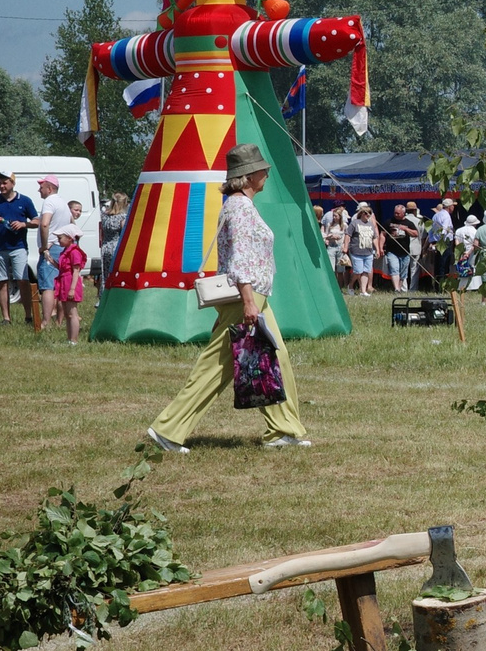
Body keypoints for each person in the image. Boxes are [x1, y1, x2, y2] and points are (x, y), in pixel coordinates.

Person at [145, 146, 310, 451]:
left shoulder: (240, 206)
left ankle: (283, 430)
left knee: (274, 356)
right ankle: (167, 430)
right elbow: (240, 260)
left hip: (253, 294)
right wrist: (247, 300)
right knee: (217, 366)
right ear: (247, 176)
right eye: (262, 169)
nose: (267, 173)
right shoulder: (240, 208)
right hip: (246, 294)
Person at [0, 171, 42, 328]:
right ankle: (6, 318)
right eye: (0, 183)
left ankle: (28, 316)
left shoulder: (25, 201)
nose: (2, 185)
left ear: (13, 183)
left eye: (5, 182)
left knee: (22, 280)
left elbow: (37, 221)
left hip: (18, 247)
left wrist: (23, 224)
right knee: (1, 282)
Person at [34, 173, 73, 329]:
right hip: (62, 247)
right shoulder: (62, 202)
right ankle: (60, 321)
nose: (39, 190)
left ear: (49, 188)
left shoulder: (49, 202)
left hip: (51, 247)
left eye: (41, 187)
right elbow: (72, 222)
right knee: (59, 285)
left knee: (47, 286)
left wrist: (44, 245)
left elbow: (45, 224)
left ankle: (46, 321)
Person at [54, 211, 89, 345]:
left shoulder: (74, 252)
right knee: (67, 313)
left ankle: (74, 339)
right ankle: (69, 339)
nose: (59, 240)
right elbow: (62, 267)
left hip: (70, 283)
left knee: (72, 313)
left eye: (60, 238)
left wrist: (72, 289)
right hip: (64, 281)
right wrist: (51, 261)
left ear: (69, 238)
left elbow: (76, 271)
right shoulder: (66, 251)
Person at [348, 203, 381, 296]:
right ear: (362, 213)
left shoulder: (371, 224)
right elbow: (348, 234)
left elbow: (374, 237)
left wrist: (377, 249)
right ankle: (350, 285)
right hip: (356, 250)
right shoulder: (355, 222)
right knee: (358, 271)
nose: (369, 216)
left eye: (370, 214)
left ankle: (363, 291)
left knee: (366, 271)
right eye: (367, 213)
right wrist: (346, 246)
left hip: (368, 251)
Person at [321, 205, 350, 286]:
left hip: (340, 247)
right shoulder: (330, 225)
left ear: (340, 216)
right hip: (331, 247)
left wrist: (345, 246)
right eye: (333, 215)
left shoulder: (344, 225)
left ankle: (340, 287)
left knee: (340, 269)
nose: (334, 217)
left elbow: (347, 236)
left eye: (336, 216)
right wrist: (329, 237)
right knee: (332, 268)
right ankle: (331, 285)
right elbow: (325, 235)